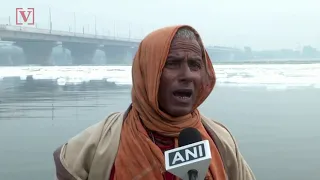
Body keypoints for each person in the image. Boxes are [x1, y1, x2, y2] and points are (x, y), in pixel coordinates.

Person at [53, 25, 255, 180]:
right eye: (172, 64)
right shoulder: (98, 145)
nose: (187, 76)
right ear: (147, 73)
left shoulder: (220, 140)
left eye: (195, 65)